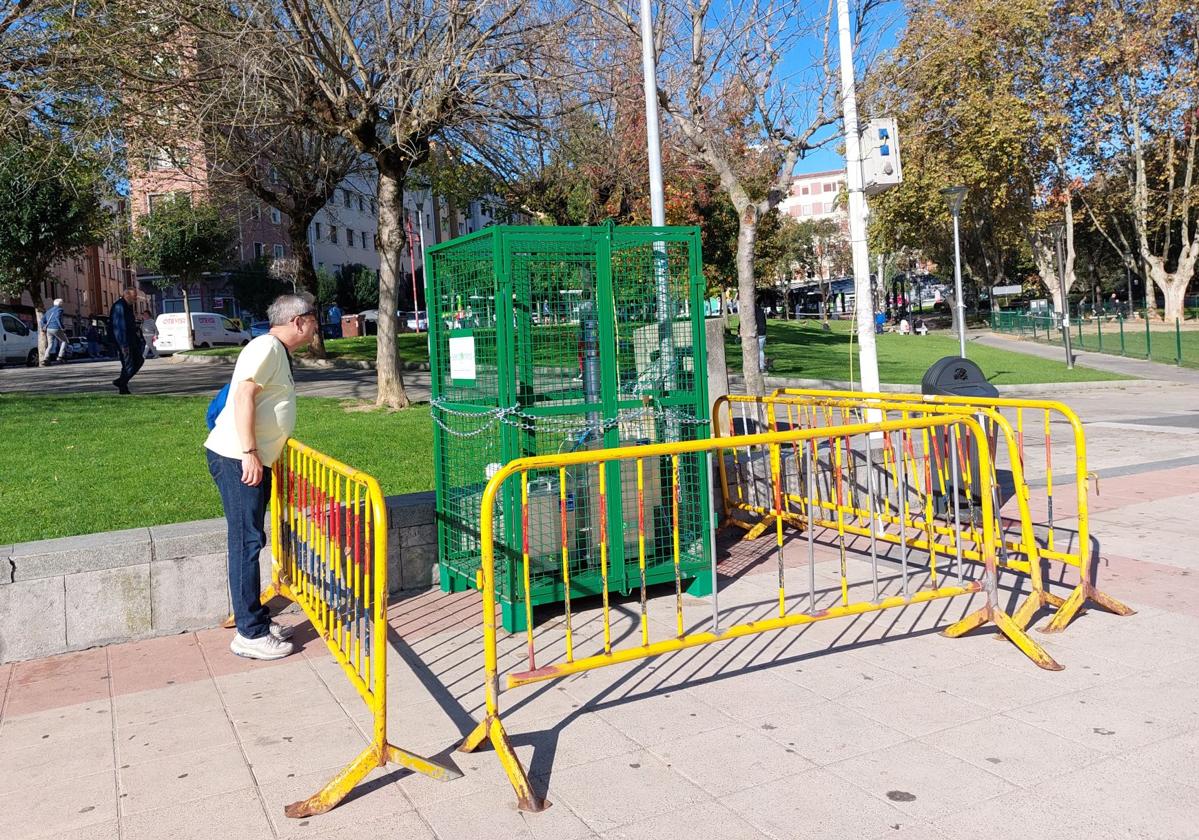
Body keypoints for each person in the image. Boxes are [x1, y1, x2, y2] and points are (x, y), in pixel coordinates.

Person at [206, 292, 317, 660]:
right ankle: (249, 635)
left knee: (250, 538)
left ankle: (254, 618)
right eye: (313, 319)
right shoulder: (266, 347)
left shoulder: (275, 352)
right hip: (238, 459)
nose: (316, 326)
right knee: (246, 541)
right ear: (297, 321)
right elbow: (243, 397)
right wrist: (250, 452)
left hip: (249, 459)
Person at [109, 288, 144, 394]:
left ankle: (121, 382)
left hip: (131, 340)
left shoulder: (127, 307)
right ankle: (122, 386)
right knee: (128, 365)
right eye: (134, 296)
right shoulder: (120, 306)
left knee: (138, 361)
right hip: (125, 342)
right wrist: (123, 344)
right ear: (127, 295)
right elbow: (119, 326)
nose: (136, 298)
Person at [39, 298, 69, 365]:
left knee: (50, 344)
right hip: (56, 328)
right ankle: (60, 356)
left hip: (48, 330)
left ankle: (45, 358)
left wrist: (43, 326)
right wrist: (62, 327)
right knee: (65, 341)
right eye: (62, 303)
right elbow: (57, 318)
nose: (62, 304)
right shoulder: (60, 309)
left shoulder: (49, 310)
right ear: (60, 304)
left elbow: (42, 320)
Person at [754, 296, 768, 371]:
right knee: (761, 350)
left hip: (756, 332)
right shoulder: (761, 311)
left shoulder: (752, 312)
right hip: (762, 332)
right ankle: (761, 366)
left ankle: (757, 366)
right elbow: (764, 322)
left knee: (755, 350)